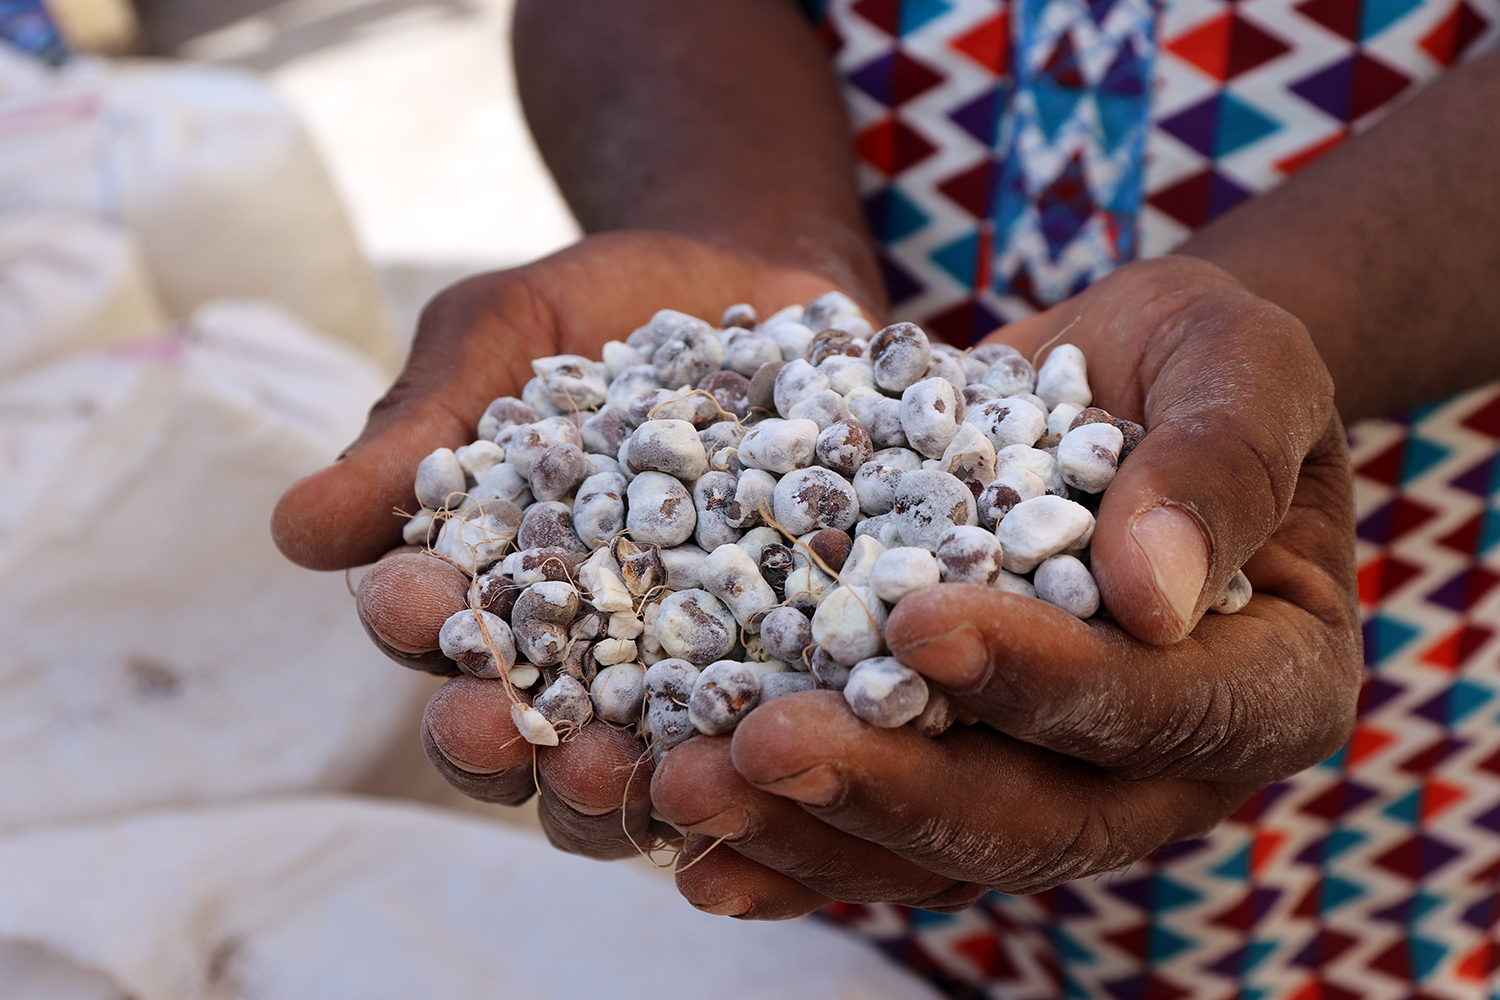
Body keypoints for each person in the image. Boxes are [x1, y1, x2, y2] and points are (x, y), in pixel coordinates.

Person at [273, 0, 1500, 995]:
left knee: (1300, 916)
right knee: (826, 821)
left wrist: (1269, 344)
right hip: (893, 375)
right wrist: (743, 230)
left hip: (1398, 527)